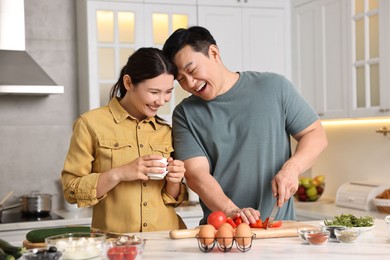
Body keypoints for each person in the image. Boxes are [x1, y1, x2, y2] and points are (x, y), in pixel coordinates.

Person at [162, 26, 328, 225]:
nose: (190, 83)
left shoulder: (274, 87)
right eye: (181, 79)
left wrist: (292, 168)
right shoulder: (185, 114)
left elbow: (315, 133)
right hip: (223, 232)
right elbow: (196, 174)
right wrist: (231, 210)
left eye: (192, 70)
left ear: (214, 53)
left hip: (277, 229)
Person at [61, 47, 188, 233]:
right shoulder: (90, 124)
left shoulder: (165, 131)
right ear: (128, 83)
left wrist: (174, 181)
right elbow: (71, 190)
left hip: (165, 239)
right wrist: (119, 174)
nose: (162, 101)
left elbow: (170, 199)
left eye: (168, 91)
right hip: (115, 243)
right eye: (154, 92)